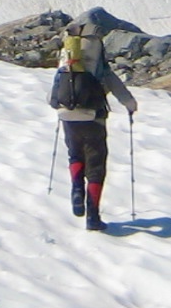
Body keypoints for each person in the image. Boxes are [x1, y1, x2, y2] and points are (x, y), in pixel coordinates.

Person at [51, 15, 136, 231]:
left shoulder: (68, 55)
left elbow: (52, 94)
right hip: (93, 117)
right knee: (96, 166)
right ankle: (93, 218)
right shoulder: (96, 56)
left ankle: (76, 190)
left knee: (75, 154)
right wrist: (130, 104)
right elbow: (111, 80)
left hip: (67, 115)